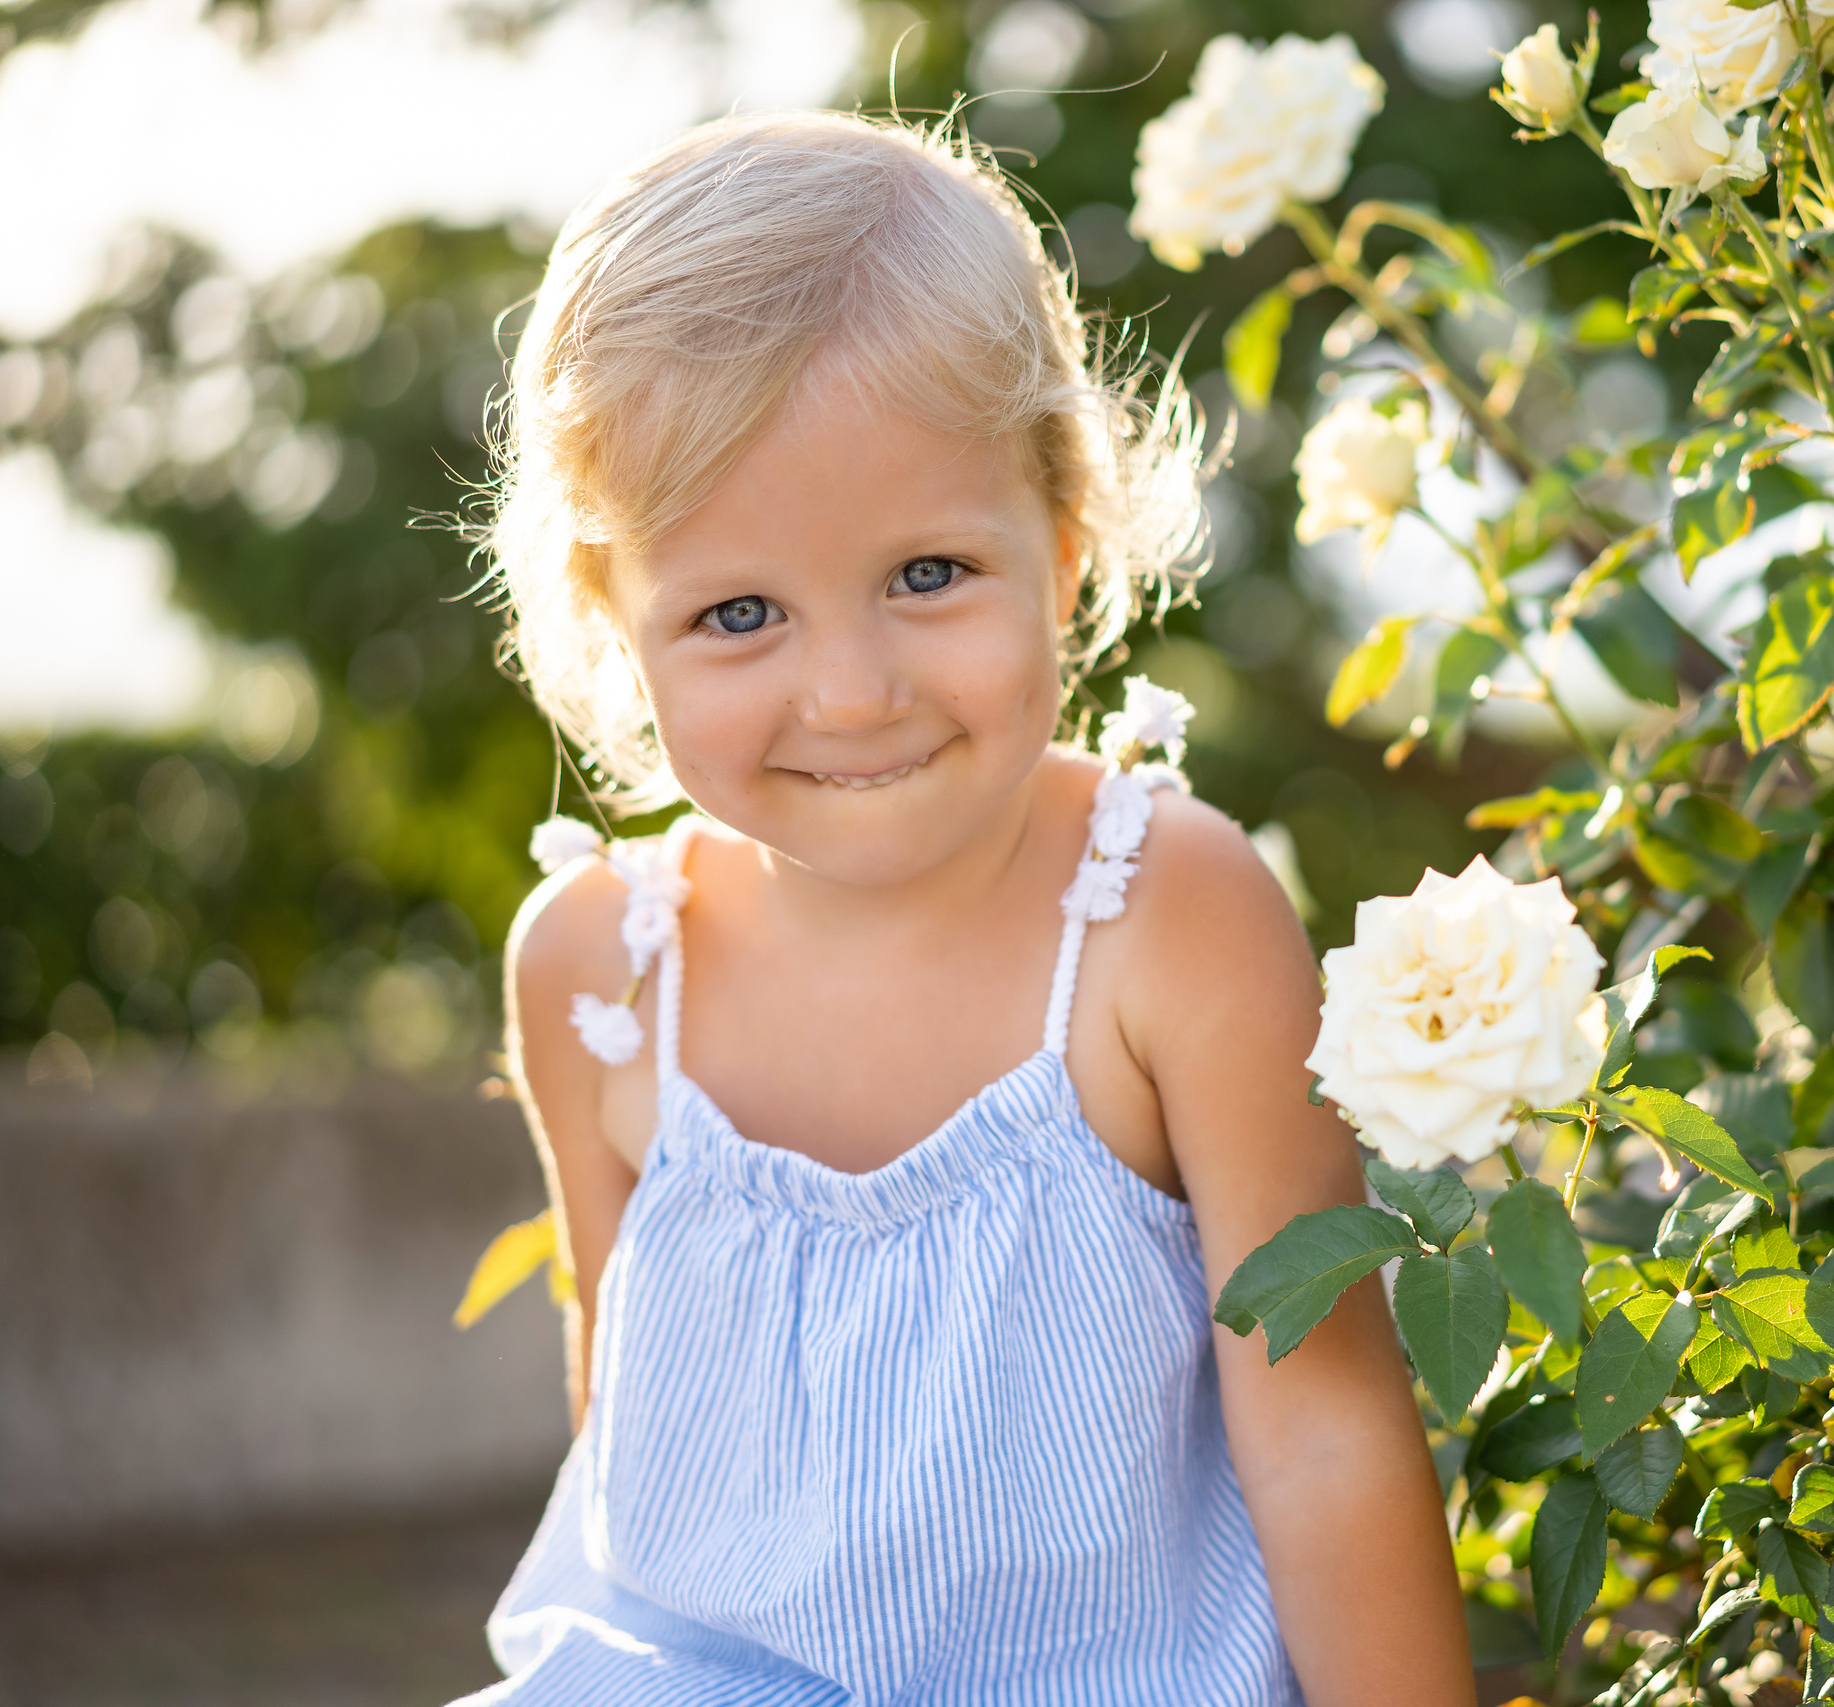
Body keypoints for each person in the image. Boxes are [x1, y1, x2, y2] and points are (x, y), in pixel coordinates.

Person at [458, 111, 1472, 1705]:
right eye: (737, 613)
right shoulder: (598, 966)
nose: (852, 694)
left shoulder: (1161, 914)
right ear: (613, 624)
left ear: (1066, 540)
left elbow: (1327, 1430)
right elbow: (632, 1454)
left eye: (927, 574)